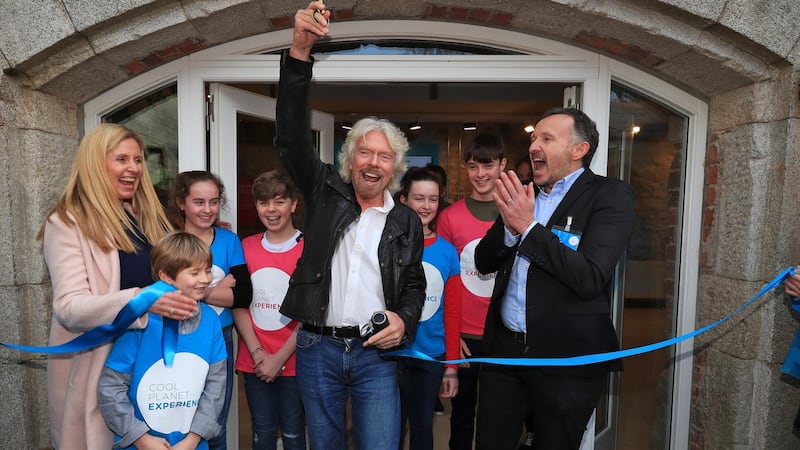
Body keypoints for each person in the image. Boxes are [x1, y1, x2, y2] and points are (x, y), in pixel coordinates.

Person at [275, 4, 426, 449]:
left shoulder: (405, 220)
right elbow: (289, 135)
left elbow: (414, 284)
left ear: (394, 167)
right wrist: (300, 53)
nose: (373, 162)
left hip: (375, 354)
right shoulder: (324, 189)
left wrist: (405, 320)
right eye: (365, 152)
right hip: (316, 349)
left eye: (383, 156)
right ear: (349, 159)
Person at [474, 107, 635, 450]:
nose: (534, 146)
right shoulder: (524, 194)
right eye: (534, 138)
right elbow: (483, 260)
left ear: (579, 150)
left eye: (547, 139)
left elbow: (590, 277)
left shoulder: (610, 196)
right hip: (505, 355)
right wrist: (509, 228)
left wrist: (528, 228)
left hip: (567, 363)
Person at [38, 123, 198, 449]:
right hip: (102, 370)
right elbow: (68, 307)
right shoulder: (67, 222)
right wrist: (143, 300)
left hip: (151, 363)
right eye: (121, 159)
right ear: (96, 164)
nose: (134, 168)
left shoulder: (145, 216)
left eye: (138, 160)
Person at [97, 231, 227, 449]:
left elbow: (216, 385)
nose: (205, 279)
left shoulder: (211, 320)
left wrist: (193, 438)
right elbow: (111, 386)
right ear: (166, 276)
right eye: (195, 273)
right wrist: (140, 437)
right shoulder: (142, 321)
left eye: (207, 271)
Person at [166, 170, 252, 450]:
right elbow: (166, 295)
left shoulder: (229, 241)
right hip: (176, 339)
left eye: (213, 202)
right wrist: (217, 290)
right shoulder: (170, 242)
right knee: (175, 420)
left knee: (214, 422)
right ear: (182, 203)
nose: (207, 210)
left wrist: (197, 292)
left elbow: (242, 295)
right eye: (199, 202)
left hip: (219, 339)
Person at [435, 132, 507, 450]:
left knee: (499, 417)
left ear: (502, 165)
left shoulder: (516, 213)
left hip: (504, 335)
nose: (480, 174)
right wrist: (451, 335)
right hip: (464, 337)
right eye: (473, 166)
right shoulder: (449, 218)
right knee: (462, 415)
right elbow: (440, 281)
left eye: (487, 165)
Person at [233, 170, 306, 450]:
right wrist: (258, 353)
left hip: (296, 360)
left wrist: (279, 359)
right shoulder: (246, 246)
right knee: (261, 432)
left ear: (293, 204)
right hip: (254, 360)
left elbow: (310, 312)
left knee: (293, 433)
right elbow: (240, 303)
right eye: (264, 203)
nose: (271, 210)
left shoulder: (309, 249)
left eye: (279, 201)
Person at [396, 167, 462, 450]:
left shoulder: (448, 252)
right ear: (404, 200)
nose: (426, 206)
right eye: (419, 198)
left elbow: (453, 312)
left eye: (433, 199)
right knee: (391, 427)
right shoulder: (389, 247)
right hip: (391, 354)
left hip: (430, 355)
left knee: (423, 425)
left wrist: (451, 366)